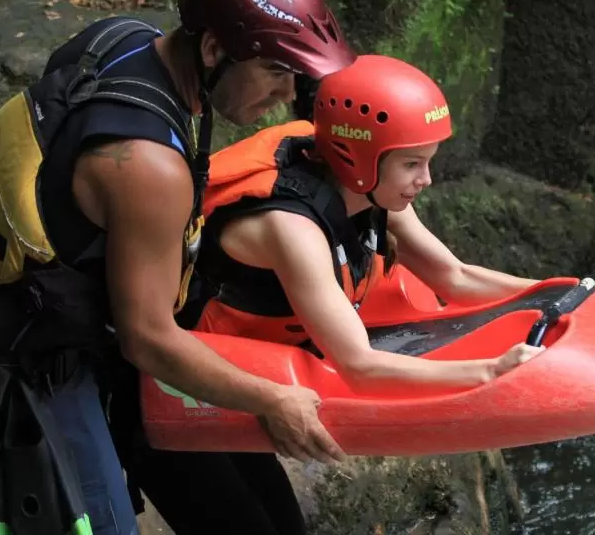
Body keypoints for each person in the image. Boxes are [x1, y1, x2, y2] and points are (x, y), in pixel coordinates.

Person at [0, 0, 357, 535]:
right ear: (213, 47)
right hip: (22, 356)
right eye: (275, 71)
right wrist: (273, 400)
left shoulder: (120, 39)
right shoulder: (149, 167)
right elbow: (148, 341)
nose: (284, 96)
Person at [114, 54, 546, 534]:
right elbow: (358, 366)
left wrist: (560, 295)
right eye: (412, 164)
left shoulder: (367, 187)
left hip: (228, 382)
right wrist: (490, 372)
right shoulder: (292, 228)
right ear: (357, 158)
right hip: (165, 387)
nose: (426, 180)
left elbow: (454, 276)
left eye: (427, 161)